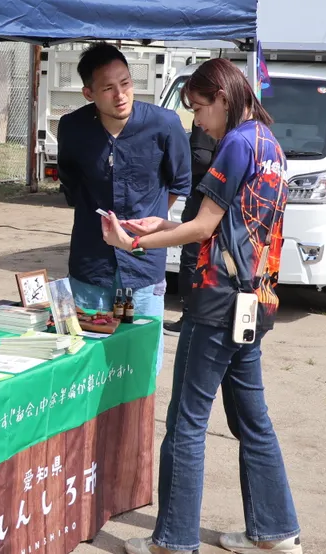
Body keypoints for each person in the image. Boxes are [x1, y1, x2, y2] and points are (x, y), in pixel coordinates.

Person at [114, 59, 301, 554]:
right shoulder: (268, 142)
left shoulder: (237, 143)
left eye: (199, 107)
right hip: (255, 298)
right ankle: (275, 531)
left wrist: (134, 245)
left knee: (186, 422)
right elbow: (222, 220)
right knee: (252, 420)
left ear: (222, 96)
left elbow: (201, 228)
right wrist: (156, 226)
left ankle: (174, 540)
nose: (197, 120)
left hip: (216, 299)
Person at [56, 43, 190, 329]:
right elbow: (71, 184)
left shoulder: (164, 124)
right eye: (108, 89)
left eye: (126, 83)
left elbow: (180, 182)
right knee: (89, 353)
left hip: (142, 261)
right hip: (91, 262)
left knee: (140, 356)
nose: (120, 95)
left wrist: (146, 222)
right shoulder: (73, 128)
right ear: (89, 93)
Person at [163, 122, 217, 338]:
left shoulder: (205, 122)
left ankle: (189, 317)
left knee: (192, 259)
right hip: (218, 200)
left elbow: (199, 159)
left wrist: (175, 159)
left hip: (201, 199)